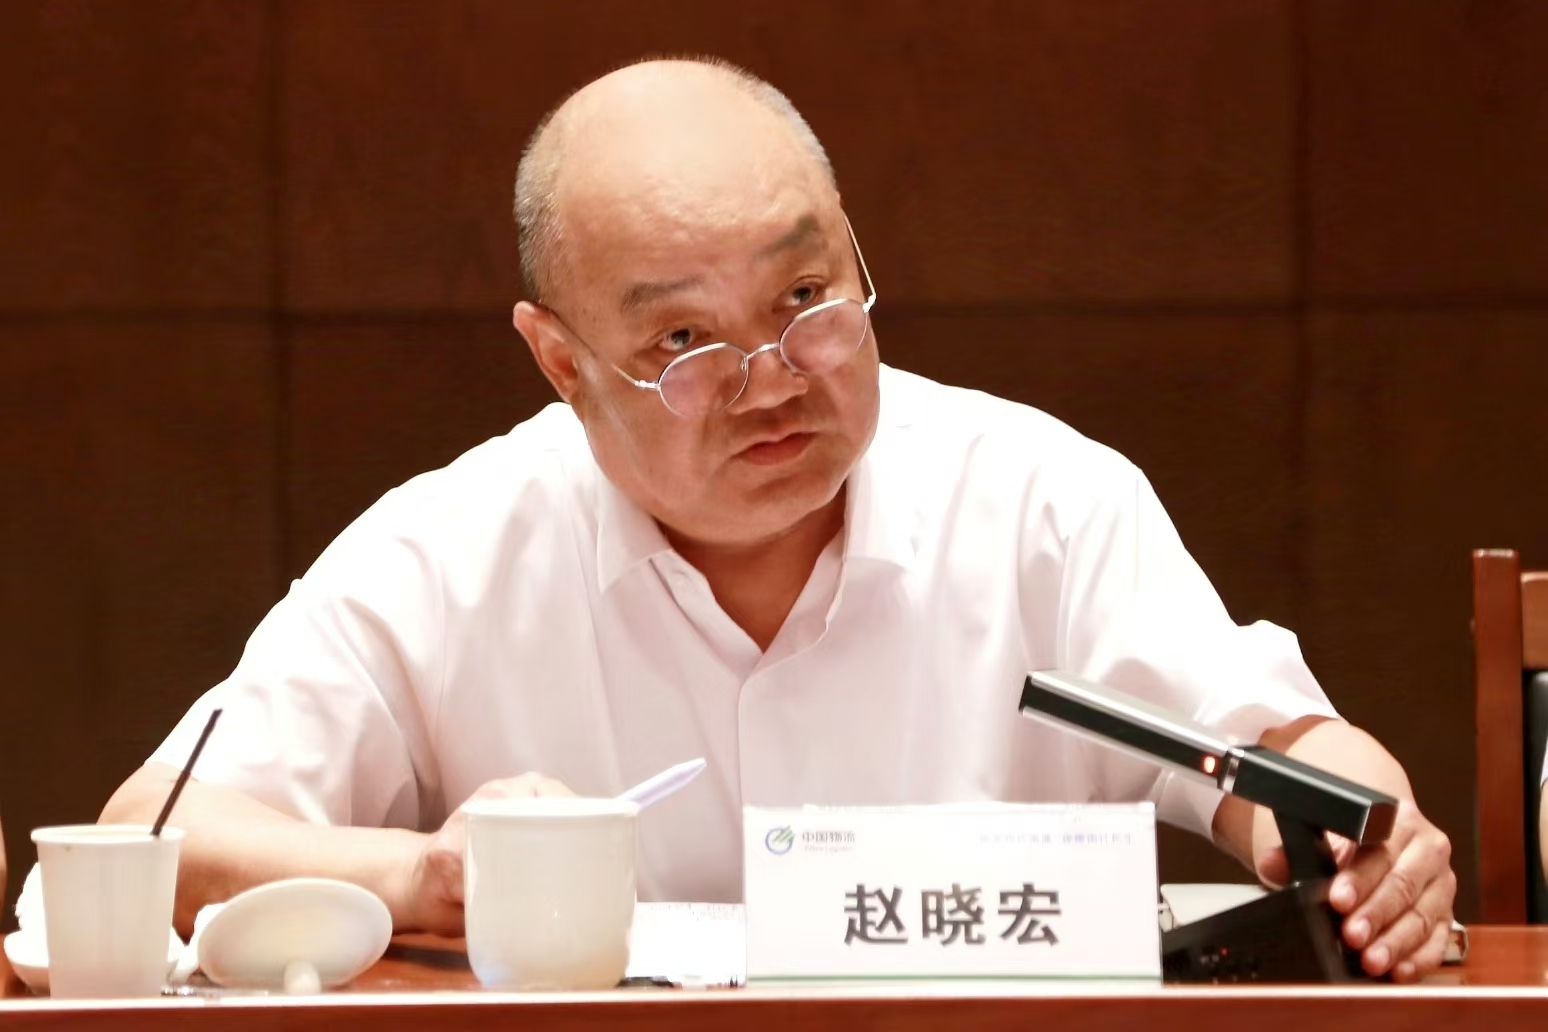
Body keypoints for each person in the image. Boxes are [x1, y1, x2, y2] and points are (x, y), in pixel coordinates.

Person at [102, 57, 1454, 981]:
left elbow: (1288, 756)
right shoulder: (454, 547)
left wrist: (1362, 844)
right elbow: (154, 835)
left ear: (856, 253)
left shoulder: (1039, 496)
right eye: (683, 341)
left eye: (807, 299)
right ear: (560, 360)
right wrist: (427, 874)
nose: (770, 381)